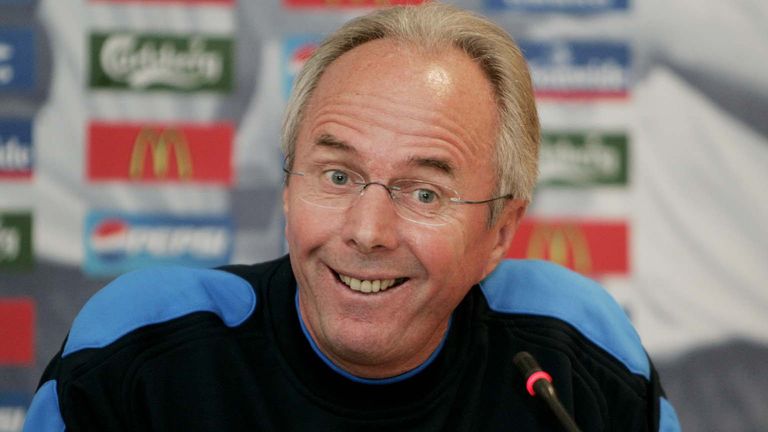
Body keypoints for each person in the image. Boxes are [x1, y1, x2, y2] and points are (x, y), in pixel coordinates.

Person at [24, 3, 680, 431]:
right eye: (337, 177)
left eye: (424, 193)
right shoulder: (143, 347)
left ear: (500, 232)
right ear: (286, 189)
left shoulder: (574, 355)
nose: (367, 231)